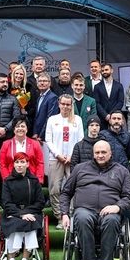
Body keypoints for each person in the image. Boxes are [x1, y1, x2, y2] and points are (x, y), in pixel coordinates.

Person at [60, 141, 130, 260]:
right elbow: (66, 193)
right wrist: (64, 214)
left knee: (113, 220)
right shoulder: (80, 169)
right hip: (84, 210)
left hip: (110, 212)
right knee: (81, 218)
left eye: (103, 152)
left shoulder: (121, 171)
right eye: (97, 152)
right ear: (93, 153)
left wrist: (117, 206)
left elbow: (128, 197)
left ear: (110, 153)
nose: (100, 155)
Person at [1, 152, 45, 260]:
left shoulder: (34, 180)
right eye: (17, 162)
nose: (19, 165)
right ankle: (10, 259)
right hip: (13, 213)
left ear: (27, 164)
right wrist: (22, 214)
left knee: (30, 223)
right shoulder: (7, 181)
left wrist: (27, 213)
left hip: (32, 213)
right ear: (14, 164)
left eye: (22, 162)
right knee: (16, 223)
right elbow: (6, 203)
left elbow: (40, 202)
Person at [45, 94, 84, 229]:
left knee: (73, 188)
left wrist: (71, 156)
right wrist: (58, 154)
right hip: (55, 158)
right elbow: (48, 139)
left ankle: (71, 215)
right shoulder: (52, 119)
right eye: (64, 104)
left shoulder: (77, 120)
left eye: (68, 104)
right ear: (59, 104)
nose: (66, 107)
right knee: (55, 188)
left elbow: (80, 139)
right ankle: (60, 217)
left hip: (72, 160)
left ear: (71, 105)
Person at [0, 117, 44, 184]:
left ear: (27, 129)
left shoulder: (35, 144)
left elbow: (40, 163)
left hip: (31, 181)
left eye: (22, 126)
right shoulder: (6, 144)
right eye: (17, 126)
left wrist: (38, 180)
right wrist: (7, 179)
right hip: (11, 181)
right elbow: (2, 164)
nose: (20, 128)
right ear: (14, 129)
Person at [28, 73, 58, 141]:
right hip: (37, 135)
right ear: (37, 83)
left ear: (50, 83)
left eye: (44, 81)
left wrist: (41, 135)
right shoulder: (39, 97)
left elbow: (50, 119)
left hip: (45, 136)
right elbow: (37, 118)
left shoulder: (52, 97)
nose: (42, 83)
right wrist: (35, 132)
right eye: (40, 81)